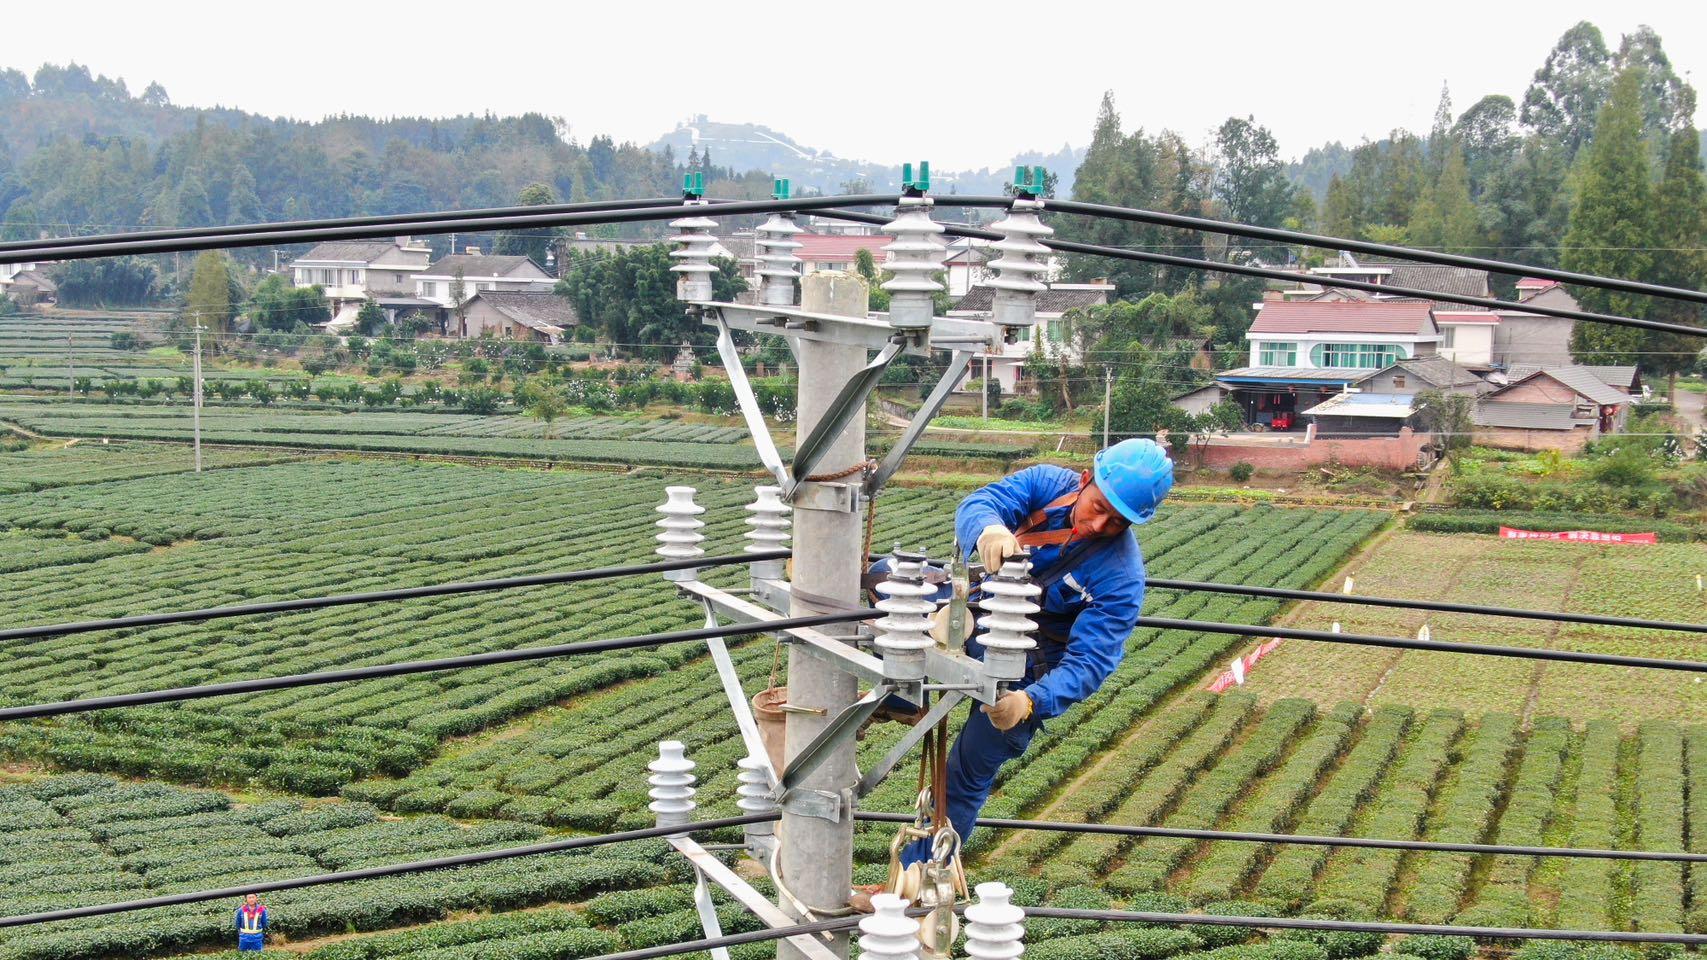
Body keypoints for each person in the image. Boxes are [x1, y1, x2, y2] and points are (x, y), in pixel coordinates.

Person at [872, 438, 1174, 875]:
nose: (1098, 525)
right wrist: (989, 529)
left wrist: (1030, 702)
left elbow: (1091, 661)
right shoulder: (1047, 484)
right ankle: (903, 699)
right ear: (1085, 480)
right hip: (979, 615)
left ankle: (915, 883)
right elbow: (983, 502)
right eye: (1098, 507)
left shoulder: (1120, 578)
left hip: (1028, 672)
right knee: (886, 584)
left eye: (1116, 521)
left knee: (964, 776)